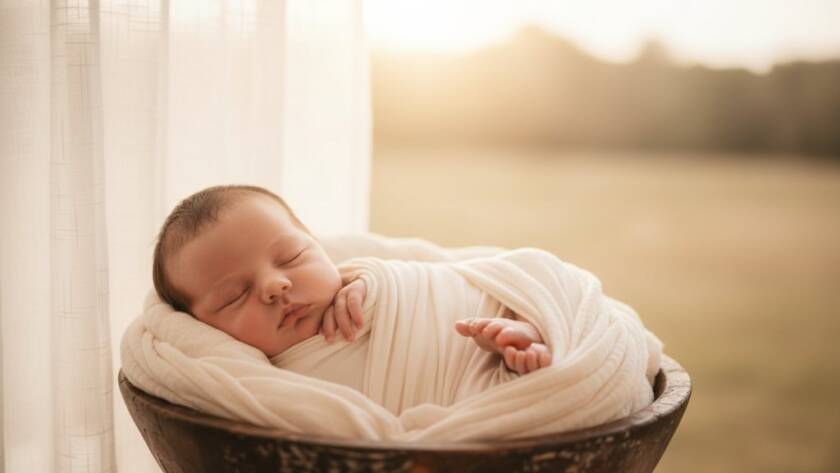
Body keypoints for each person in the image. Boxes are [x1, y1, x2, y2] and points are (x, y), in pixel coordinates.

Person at [153, 185, 552, 375]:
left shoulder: (367, 282)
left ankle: (526, 326)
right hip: (460, 397)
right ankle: (517, 364)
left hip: (460, 320)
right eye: (235, 296)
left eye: (291, 256)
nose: (275, 286)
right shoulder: (261, 378)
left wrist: (372, 280)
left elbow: (437, 280)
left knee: (494, 309)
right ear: (202, 327)